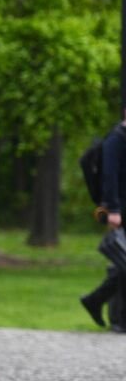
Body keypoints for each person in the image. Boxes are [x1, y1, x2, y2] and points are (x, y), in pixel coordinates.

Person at [81, 118, 126, 332]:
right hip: (120, 210)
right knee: (122, 262)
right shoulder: (116, 139)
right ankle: (118, 317)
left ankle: (96, 301)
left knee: (122, 265)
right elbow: (109, 176)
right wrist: (113, 210)